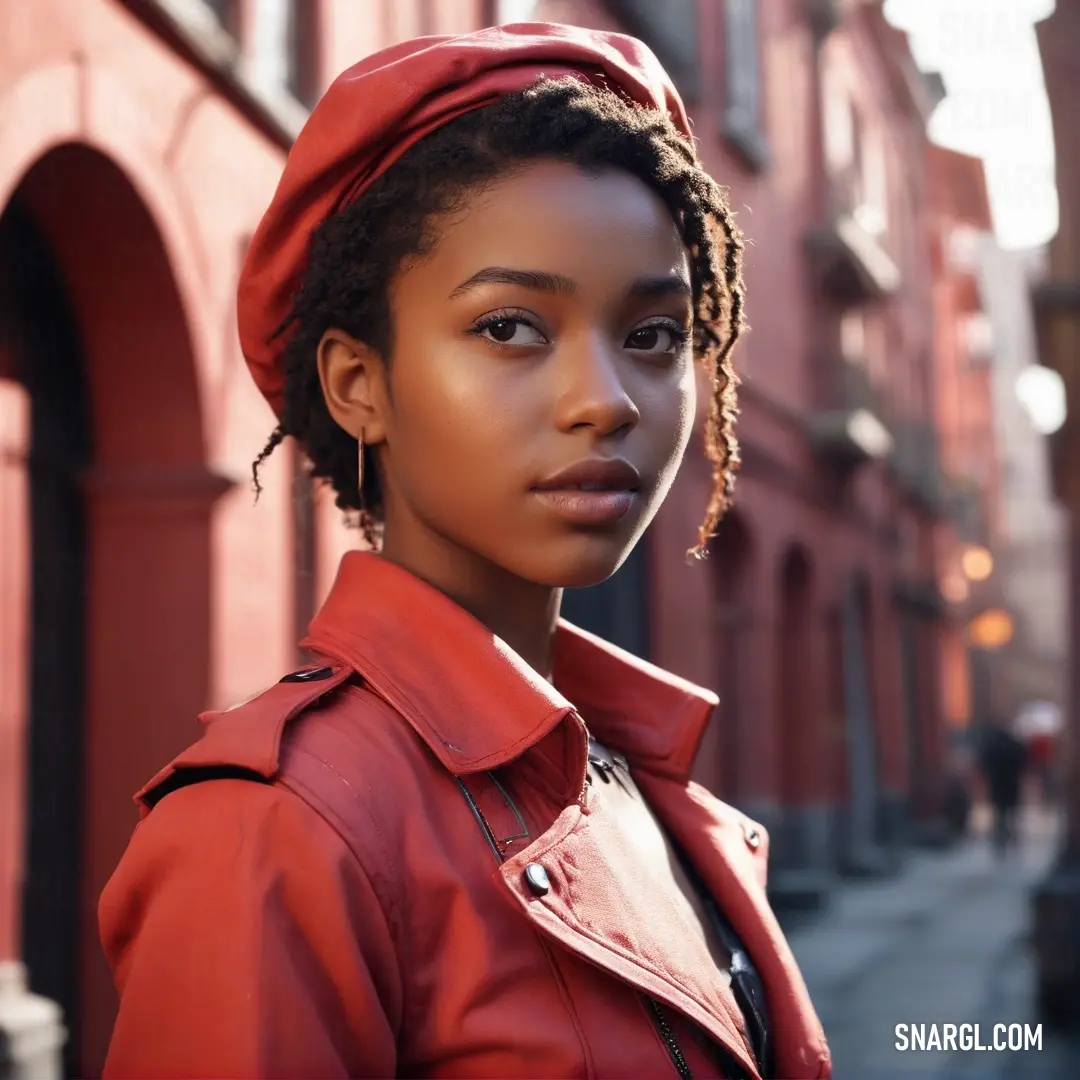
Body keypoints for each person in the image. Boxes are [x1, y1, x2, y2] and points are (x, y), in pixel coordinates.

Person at [98, 23, 829, 1080]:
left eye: (655, 336)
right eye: (509, 328)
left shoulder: (631, 774)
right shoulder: (276, 832)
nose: (606, 401)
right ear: (359, 384)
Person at [977, 718, 1027, 856]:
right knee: (1012, 815)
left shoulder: (992, 747)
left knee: (999, 815)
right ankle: (1014, 841)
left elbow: (983, 764)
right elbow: (1023, 761)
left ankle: (1000, 843)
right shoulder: (1014, 746)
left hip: (997, 785)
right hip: (1012, 785)